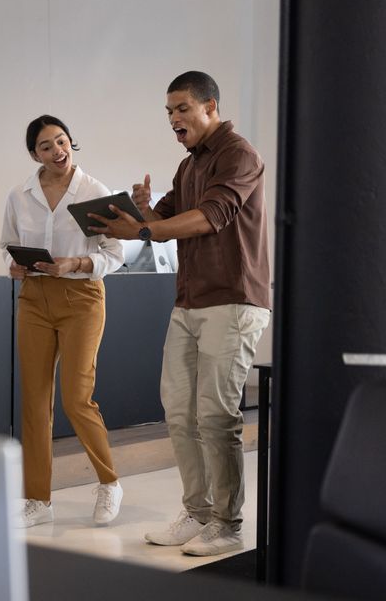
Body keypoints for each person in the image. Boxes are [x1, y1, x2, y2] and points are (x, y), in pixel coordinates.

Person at [89, 71, 271, 556]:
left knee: (215, 416)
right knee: (178, 412)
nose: (173, 119)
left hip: (232, 300)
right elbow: (163, 218)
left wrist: (147, 229)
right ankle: (197, 511)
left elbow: (208, 217)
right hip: (189, 302)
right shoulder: (188, 165)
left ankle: (227, 525)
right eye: (168, 111)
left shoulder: (239, 155)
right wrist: (143, 211)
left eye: (182, 109)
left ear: (210, 105)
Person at [0, 114, 125, 529]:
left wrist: (78, 262)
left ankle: (109, 482)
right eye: (47, 146)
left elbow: (115, 253)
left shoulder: (93, 191)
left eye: (63, 141)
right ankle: (37, 499)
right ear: (35, 153)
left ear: (72, 142)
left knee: (76, 397)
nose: (58, 151)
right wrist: (13, 266)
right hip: (34, 298)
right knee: (34, 402)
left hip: (82, 298)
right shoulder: (20, 195)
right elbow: (7, 245)